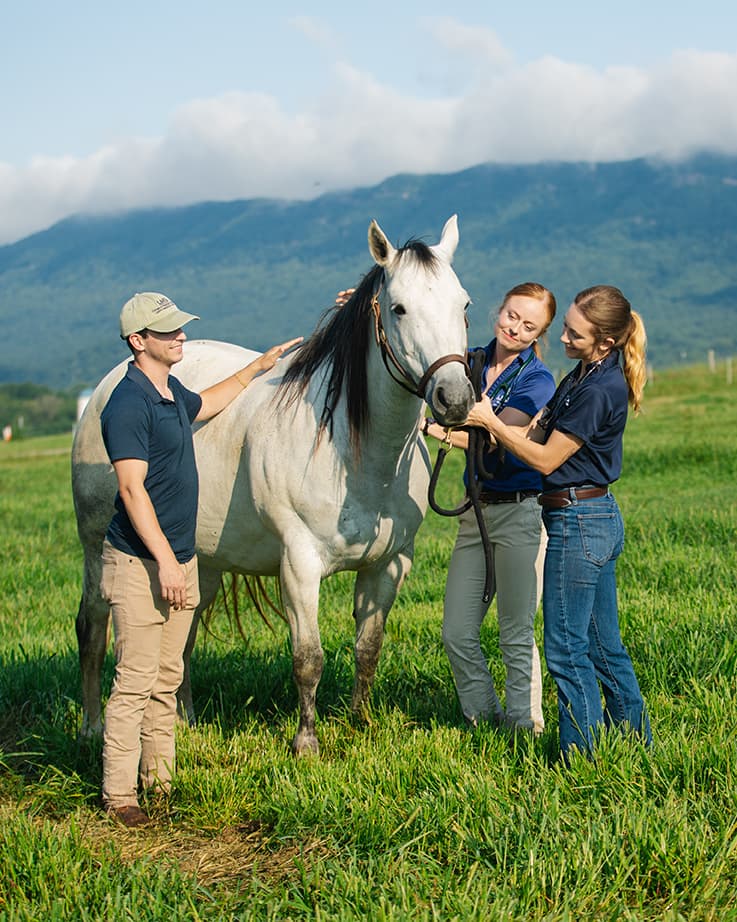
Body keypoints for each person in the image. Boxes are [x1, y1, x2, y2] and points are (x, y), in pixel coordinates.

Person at [99, 291, 301, 826]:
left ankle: (158, 781)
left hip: (178, 557)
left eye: (180, 328)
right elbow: (131, 491)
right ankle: (120, 796)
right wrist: (166, 561)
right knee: (134, 680)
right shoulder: (127, 404)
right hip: (142, 563)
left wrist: (256, 368)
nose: (180, 336)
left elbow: (207, 403)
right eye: (167, 332)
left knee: (167, 677)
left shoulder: (167, 393)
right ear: (138, 342)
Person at [466, 284, 652, 760]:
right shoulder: (582, 375)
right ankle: (634, 744)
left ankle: (581, 759)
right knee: (603, 646)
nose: (562, 337)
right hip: (592, 516)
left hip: (577, 520)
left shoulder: (600, 388)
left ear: (605, 342)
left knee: (567, 650)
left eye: (573, 332)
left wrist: (490, 423)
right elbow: (534, 429)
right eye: (566, 326)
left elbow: (546, 459)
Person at [425, 282, 557, 734]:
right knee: (456, 632)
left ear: (539, 333)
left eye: (528, 325)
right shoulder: (470, 362)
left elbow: (501, 440)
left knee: (515, 632)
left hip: (521, 512)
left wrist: (435, 428)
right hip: (473, 513)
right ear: (498, 311)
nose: (515, 328)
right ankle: (483, 718)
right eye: (511, 315)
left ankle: (526, 728)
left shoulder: (537, 380)